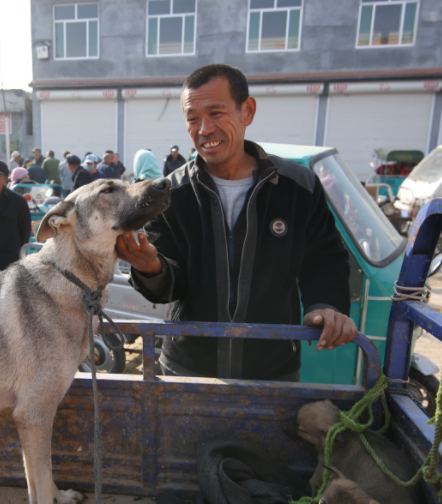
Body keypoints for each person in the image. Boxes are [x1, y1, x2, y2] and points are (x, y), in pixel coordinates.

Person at [117, 64, 356, 381]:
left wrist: (326, 304)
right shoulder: (171, 194)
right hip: (189, 368)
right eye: (192, 118)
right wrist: (150, 267)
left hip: (273, 368)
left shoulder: (298, 186)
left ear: (248, 111)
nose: (204, 129)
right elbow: (170, 287)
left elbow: (324, 256)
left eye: (216, 113)